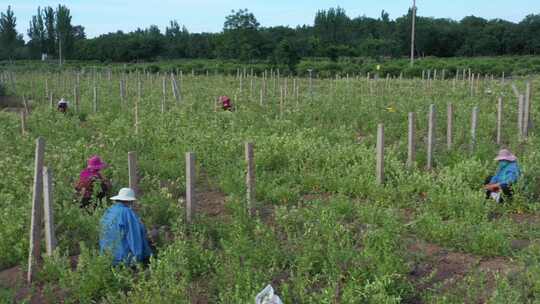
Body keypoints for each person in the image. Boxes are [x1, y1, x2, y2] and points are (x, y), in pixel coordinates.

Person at [99, 188, 153, 266]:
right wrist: (139, 258)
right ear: (130, 201)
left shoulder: (108, 211)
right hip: (123, 259)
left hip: (107, 257)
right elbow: (134, 237)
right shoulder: (127, 213)